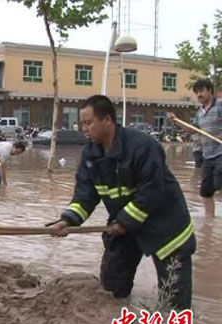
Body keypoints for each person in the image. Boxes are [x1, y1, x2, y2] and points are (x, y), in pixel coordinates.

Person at [53, 95, 196, 310]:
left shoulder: (142, 146)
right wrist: (68, 220)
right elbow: (85, 195)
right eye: (81, 123)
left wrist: (123, 222)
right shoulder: (91, 155)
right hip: (124, 225)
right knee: (111, 289)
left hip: (166, 227)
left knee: (174, 300)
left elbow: (151, 193)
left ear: (107, 120)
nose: (83, 128)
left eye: (88, 122)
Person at [168, 78, 221, 218]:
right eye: (196, 92)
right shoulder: (200, 113)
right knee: (205, 190)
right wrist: (176, 121)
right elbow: (192, 130)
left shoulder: (219, 106)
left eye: (202, 91)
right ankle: (210, 219)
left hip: (221, 153)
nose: (199, 95)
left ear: (209, 90)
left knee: (219, 182)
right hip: (207, 156)